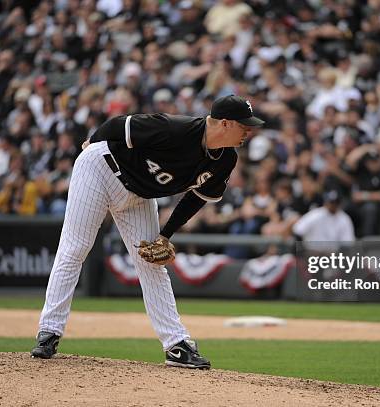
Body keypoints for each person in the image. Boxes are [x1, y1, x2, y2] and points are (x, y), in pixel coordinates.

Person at [30, 95, 264, 369]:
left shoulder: (226, 159)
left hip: (139, 195)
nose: (249, 131)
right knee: (76, 247)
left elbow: (196, 198)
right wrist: (91, 143)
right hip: (101, 168)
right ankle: (49, 332)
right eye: (244, 125)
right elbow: (119, 125)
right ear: (224, 123)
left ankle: (177, 345)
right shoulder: (175, 129)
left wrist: (165, 235)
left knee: (152, 263)